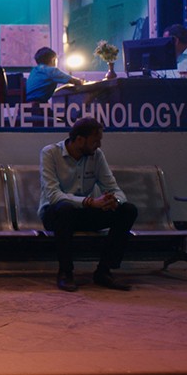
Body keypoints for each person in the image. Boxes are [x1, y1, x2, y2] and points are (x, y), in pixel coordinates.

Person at [39, 117, 138, 292]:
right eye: (95, 141)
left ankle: (104, 271)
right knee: (65, 209)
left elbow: (115, 189)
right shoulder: (50, 153)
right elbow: (54, 196)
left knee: (128, 210)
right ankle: (65, 272)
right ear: (79, 140)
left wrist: (114, 201)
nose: (98, 145)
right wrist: (91, 202)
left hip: (85, 212)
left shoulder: (96, 156)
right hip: (55, 213)